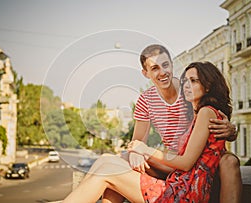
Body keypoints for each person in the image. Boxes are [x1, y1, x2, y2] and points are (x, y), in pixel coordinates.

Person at [63, 61, 234, 203]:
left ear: (208, 86)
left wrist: (145, 150)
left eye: (194, 81)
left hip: (183, 194)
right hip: (180, 186)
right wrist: (139, 152)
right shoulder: (202, 112)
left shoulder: (206, 112)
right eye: (185, 81)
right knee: (106, 160)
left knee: (108, 169)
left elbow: (186, 163)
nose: (187, 86)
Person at [102, 44, 241, 203]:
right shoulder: (146, 100)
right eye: (154, 68)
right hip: (170, 162)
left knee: (230, 161)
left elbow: (217, 126)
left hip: (195, 162)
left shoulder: (190, 94)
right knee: (121, 162)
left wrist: (232, 130)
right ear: (145, 73)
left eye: (165, 65)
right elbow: (138, 141)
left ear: (172, 65)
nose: (162, 72)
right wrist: (135, 153)